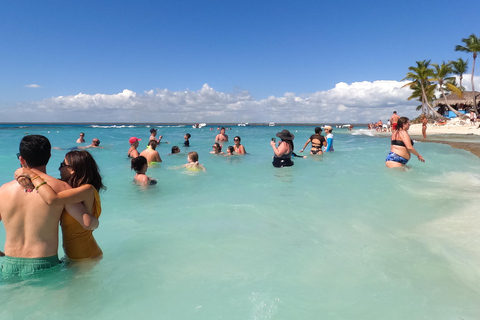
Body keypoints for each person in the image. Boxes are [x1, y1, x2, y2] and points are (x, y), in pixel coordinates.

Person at [0, 135, 98, 278]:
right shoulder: (61, 187)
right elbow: (87, 223)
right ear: (49, 156)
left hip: (8, 265)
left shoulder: (3, 190)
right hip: (44, 264)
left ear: (21, 159)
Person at [16, 150, 105, 261]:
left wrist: (31, 174)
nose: (59, 168)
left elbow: (52, 198)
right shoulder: (70, 190)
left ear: (72, 169)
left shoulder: (87, 189)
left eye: (62, 165)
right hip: (76, 256)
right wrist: (22, 176)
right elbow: (46, 183)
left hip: (86, 256)